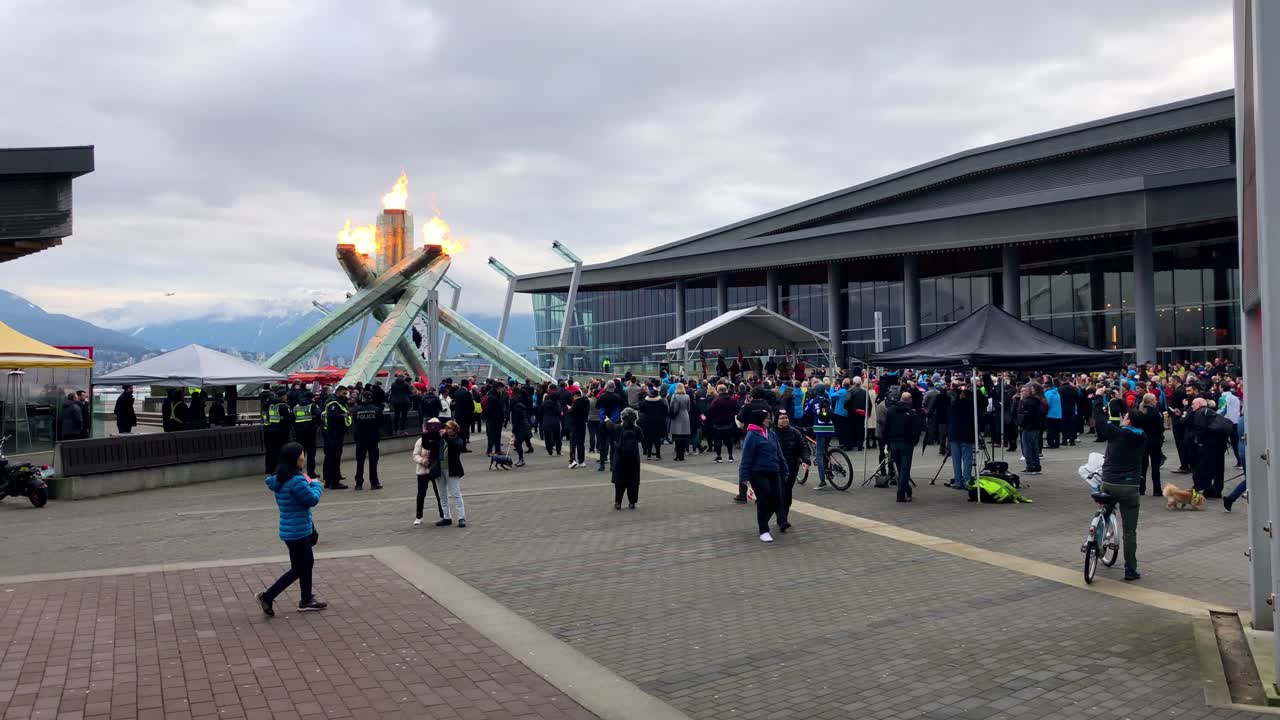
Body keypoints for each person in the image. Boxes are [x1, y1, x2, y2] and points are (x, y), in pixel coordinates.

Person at [256, 442, 327, 615]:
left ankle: (306, 599)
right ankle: (267, 596)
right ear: (295, 458)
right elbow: (311, 500)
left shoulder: (281, 478)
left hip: (292, 529)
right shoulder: (295, 480)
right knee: (300, 568)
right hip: (298, 531)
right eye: (302, 454)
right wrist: (317, 485)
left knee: (305, 564)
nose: (303, 457)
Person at [1094, 409, 1148, 581]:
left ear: (1129, 421)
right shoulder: (1142, 437)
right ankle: (1130, 569)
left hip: (1110, 483)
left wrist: (1098, 399)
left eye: (1125, 418)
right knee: (1130, 531)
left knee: (1105, 511)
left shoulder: (1117, 434)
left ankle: (1095, 543)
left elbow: (1100, 422)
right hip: (1130, 486)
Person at [739, 409, 787, 542]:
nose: (769, 420)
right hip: (758, 473)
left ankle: (765, 521)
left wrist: (784, 467)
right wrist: (744, 477)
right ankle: (763, 530)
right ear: (759, 419)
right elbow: (746, 458)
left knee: (777, 498)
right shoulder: (752, 436)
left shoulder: (771, 433)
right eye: (766, 418)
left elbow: (779, 452)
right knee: (764, 499)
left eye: (769, 418)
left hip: (774, 470)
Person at [773, 410, 810, 532]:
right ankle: (781, 520)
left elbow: (803, 446)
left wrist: (806, 459)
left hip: (792, 467)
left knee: (787, 493)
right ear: (776, 420)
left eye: (786, 417)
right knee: (780, 493)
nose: (785, 420)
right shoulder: (771, 433)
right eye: (782, 418)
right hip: (776, 469)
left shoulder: (794, 432)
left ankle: (784, 517)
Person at [882, 392, 923, 502]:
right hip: (906, 444)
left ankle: (908, 491)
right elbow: (916, 431)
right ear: (910, 400)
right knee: (905, 469)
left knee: (900, 468)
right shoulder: (912, 413)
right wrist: (913, 442)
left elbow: (885, 427)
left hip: (894, 443)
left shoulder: (890, 411)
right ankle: (900, 494)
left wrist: (887, 442)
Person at [608, 408, 643, 510]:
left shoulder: (618, 427)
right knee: (633, 480)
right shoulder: (637, 429)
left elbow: (613, 437)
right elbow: (641, 438)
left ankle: (618, 502)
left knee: (619, 481)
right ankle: (632, 502)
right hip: (633, 458)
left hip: (620, 458)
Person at [412, 419, 445, 525]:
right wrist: (422, 461)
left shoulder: (440, 439)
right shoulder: (421, 440)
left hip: (435, 470)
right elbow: (415, 455)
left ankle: (443, 514)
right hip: (422, 471)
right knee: (421, 494)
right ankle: (418, 516)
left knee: (439, 493)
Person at [1132, 393, 1165, 497]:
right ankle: (1157, 490)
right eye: (1155, 399)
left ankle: (1141, 489)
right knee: (1155, 467)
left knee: (1142, 466)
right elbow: (1161, 428)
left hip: (1143, 441)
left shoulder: (1139, 412)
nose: (1156, 401)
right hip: (1154, 441)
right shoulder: (1155, 412)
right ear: (1151, 401)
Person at [352, 391, 384, 491]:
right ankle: (374, 483)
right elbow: (380, 423)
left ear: (362, 398)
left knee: (360, 461)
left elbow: (355, 423)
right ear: (371, 398)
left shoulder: (356, 410)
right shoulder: (377, 410)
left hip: (360, 438)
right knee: (373, 461)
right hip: (373, 438)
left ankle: (358, 484)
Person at [947, 383, 976, 491]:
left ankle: (958, 481)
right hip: (967, 435)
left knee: (956, 459)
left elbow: (948, 416)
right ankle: (967, 480)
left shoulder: (954, 405)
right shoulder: (972, 406)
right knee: (967, 459)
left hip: (954, 434)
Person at [804, 386, 834, 490]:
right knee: (825, 450)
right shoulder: (828, 400)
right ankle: (829, 470)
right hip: (830, 427)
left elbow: (806, 411)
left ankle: (822, 480)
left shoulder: (813, 400)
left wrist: (808, 400)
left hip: (820, 428)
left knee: (819, 454)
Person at [322, 388, 351, 490]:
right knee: (334, 458)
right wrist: (345, 416)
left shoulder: (336, 402)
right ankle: (334, 482)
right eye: (344, 393)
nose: (346, 395)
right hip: (334, 434)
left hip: (333, 434)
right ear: (338, 392)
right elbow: (332, 417)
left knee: (331, 457)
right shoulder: (334, 403)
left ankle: (329, 480)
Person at [439, 420, 467, 527]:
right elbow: (428, 446)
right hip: (440, 469)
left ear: (454, 430)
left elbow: (455, 447)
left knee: (455, 493)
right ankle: (446, 517)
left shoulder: (458, 440)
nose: (446, 430)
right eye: (445, 428)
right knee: (442, 494)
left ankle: (461, 517)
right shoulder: (441, 438)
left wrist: (445, 436)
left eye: (449, 428)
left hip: (452, 469)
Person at [262, 390, 294, 474]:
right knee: (282, 450)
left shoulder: (271, 405)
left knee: (273, 451)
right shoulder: (284, 405)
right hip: (282, 431)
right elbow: (288, 418)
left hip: (271, 430)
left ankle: (272, 469)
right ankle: (281, 469)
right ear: (283, 396)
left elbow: (269, 418)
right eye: (285, 395)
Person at [1017, 385, 1044, 475]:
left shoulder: (1026, 402)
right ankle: (1036, 466)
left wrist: (1021, 423)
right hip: (1036, 426)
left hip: (1028, 427)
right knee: (1034, 447)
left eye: (1023, 391)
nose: (1022, 393)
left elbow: (1021, 414)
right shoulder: (1037, 401)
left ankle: (1030, 466)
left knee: (1027, 447)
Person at [292, 393, 321, 478]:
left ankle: (298, 472)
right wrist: (317, 424)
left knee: (300, 454)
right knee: (311, 455)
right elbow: (319, 414)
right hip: (310, 433)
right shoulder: (312, 405)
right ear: (311, 398)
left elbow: (292, 419)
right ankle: (311, 473)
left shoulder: (296, 406)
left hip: (299, 434)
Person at [708, 385, 738, 464]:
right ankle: (730, 456)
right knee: (729, 441)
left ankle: (719, 456)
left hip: (718, 424)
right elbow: (736, 410)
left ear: (718, 391)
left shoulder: (716, 400)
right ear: (726, 390)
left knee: (718, 441)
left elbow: (710, 411)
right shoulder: (732, 400)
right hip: (729, 423)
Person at [638, 388, 668, 460]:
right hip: (658, 422)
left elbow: (641, 410)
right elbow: (665, 411)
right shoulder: (661, 402)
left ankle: (649, 454)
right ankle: (658, 454)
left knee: (648, 439)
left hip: (647, 422)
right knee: (657, 439)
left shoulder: (645, 402)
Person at [668, 383, 692, 461]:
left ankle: (678, 455)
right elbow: (689, 408)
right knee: (683, 437)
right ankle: (682, 455)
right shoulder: (687, 396)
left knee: (677, 437)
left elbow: (672, 407)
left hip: (677, 417)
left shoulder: (674, 396)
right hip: (685, 416)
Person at [540, 387, 564, 456]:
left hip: (546, 422)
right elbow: (559, 413)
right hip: (555, 422)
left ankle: (549, 450)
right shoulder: (557, 404)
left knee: (547, 438)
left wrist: (542, 419)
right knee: (557, 438)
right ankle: (558, 451)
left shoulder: (544, 403)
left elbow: (540, 412)